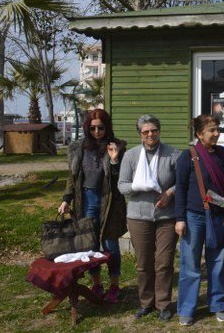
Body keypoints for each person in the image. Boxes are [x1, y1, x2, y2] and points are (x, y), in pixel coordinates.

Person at [58, 108, 127, 304]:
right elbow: (72, 178)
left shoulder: (118, 147)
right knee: (90, 245)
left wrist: (114, 161)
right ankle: (97, 284)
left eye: (101, 127)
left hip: (110, 202)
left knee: (111, 245)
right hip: (85, 200)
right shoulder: (78, 148)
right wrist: (66, 199)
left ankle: (114, 286)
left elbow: (120, 181)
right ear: (87, 128)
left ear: (108, 127)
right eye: (93, 128)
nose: (97, 132)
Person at [175, 114, 224, 326]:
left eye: (218, 129)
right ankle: (186, 308)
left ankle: (219, 304)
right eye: (212, 130)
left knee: (218, 263)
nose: (217, 133)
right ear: (200, 134)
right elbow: (181, 189)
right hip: (194, 217)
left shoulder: (220, 153)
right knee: (190, 264)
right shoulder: (188, 156)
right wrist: (180, 218)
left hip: (217, 215)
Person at [118, 114, 180, 321]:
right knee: (143, 263)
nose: (150, 134)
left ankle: (163, 304)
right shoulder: (131, 156)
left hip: (167, 217)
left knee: (164, 262)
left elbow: (183, 182)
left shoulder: (173, 154)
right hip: (138, 216)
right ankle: (146, 303)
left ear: (159, 131)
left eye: (153, 130)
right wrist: (139, 186)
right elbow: (122, 185)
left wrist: (169, 193)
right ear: (140, 135)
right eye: (145, 132)